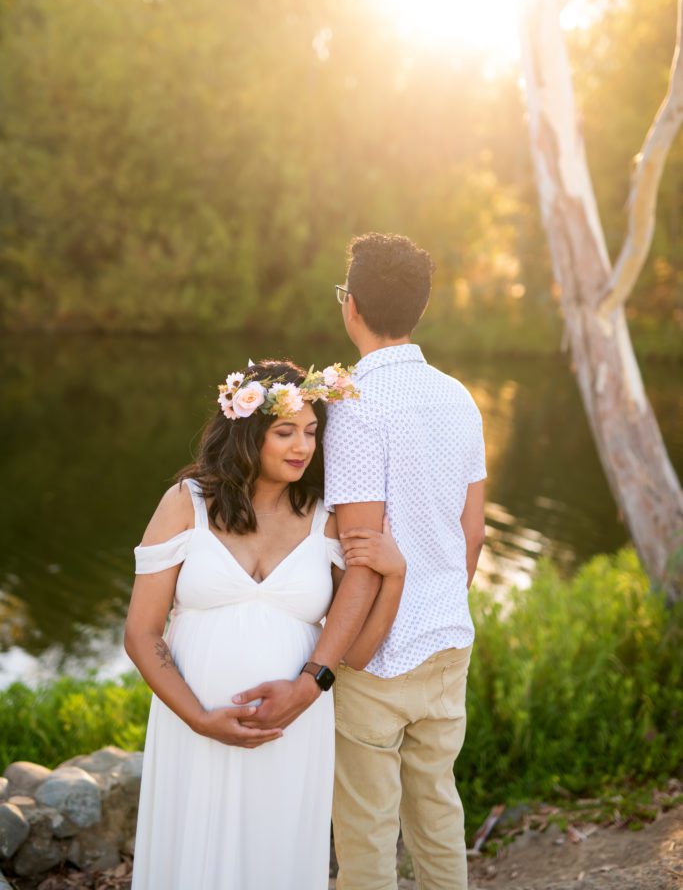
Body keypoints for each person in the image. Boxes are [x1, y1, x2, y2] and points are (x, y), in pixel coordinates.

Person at [124, 359, 406, 890]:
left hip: (290, 730)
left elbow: (359, 652)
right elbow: (140, 634)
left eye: (310, 432)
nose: (302, 446)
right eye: (285, 432)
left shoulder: (328, 519)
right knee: (190, 858)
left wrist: (395, 576)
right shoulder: (187, 504)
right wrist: (200, 719)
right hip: (194, 727)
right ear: (249, 432)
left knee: (273, 861)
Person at [325, 232, 487, 890]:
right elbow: (470, 531)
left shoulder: (355, 406)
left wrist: (340, 654)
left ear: (350, 305)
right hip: (448, 638)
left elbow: (360, 554)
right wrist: (441, 597)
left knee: (365, 832)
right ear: (417, 310)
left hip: (379, 650)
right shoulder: (460, 397)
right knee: (436, 814)